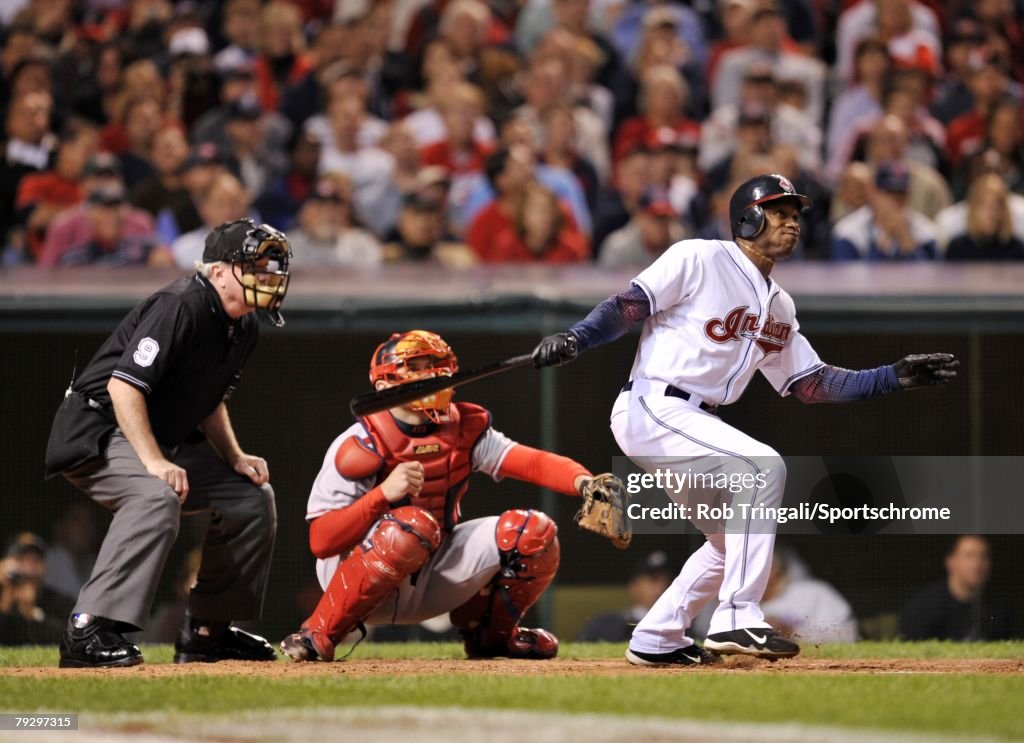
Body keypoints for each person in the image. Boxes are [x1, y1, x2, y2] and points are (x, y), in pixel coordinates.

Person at [532, 173, 959, 665]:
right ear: (748, 217)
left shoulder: (780, 303)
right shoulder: (699, 257)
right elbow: (629, 306)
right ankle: (737, 616)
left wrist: (892, 376)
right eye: (780, 212)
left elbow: (812, 383)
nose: (792, 223)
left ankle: (657, 637)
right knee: (762, 467)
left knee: (725, 543)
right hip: (654, 405)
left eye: (796, 215)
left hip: (692, 420)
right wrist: (578, 337)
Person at [43, 218, 292, 668]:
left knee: (251, 498)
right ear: (218, 272)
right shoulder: (181, 304)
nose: (267, 277)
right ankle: (88, 628)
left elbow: (208, 400)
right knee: (157, 497)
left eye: (270, 268)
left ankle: (207, 632)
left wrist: (234, 456)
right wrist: (155, 461)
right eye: (254, 266)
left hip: (154, 436)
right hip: (99, 430)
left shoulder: (244, 326)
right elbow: (124, 388)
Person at [279, 330, 608, 663]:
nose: (431, 375)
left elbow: (531, 462)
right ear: (384, 385)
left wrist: (584, 482)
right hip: (359, 580)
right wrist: (381, 495)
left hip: (430, 569)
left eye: (436, 366)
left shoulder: (464, 426)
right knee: (411, 527)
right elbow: (321, 541)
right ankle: (319, 632)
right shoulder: (359, 444)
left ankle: (491, 637)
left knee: (533, 531)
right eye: (416, 367)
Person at [899, 535, 1012, 641]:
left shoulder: (999, 607)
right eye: (969, 556)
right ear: (951, 562)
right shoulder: (922, 607)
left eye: (983, 556)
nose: (977, 565)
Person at [577, 551, 675, 643]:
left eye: (667, 581)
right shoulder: (604, 625)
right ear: (634, 586)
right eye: (653, 580)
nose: (661, 587)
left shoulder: (682, 625)